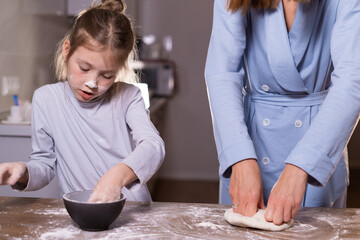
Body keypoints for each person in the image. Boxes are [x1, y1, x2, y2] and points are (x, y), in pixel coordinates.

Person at [205, 0, 360, 225]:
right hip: (251, 141)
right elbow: (223, 72)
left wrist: (303, 166)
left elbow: (353, 81)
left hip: (319, 140)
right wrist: (239, 158)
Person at [0, 0, 165, 203]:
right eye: (84, 68)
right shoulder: (46, 100)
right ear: (67, 50)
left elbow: (153, 146)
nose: (92, 83)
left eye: (106, 75)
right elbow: (44, 165)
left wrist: (117, 176)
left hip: (132, 210)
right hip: (80, 212)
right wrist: (22, 172)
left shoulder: (128, 96)